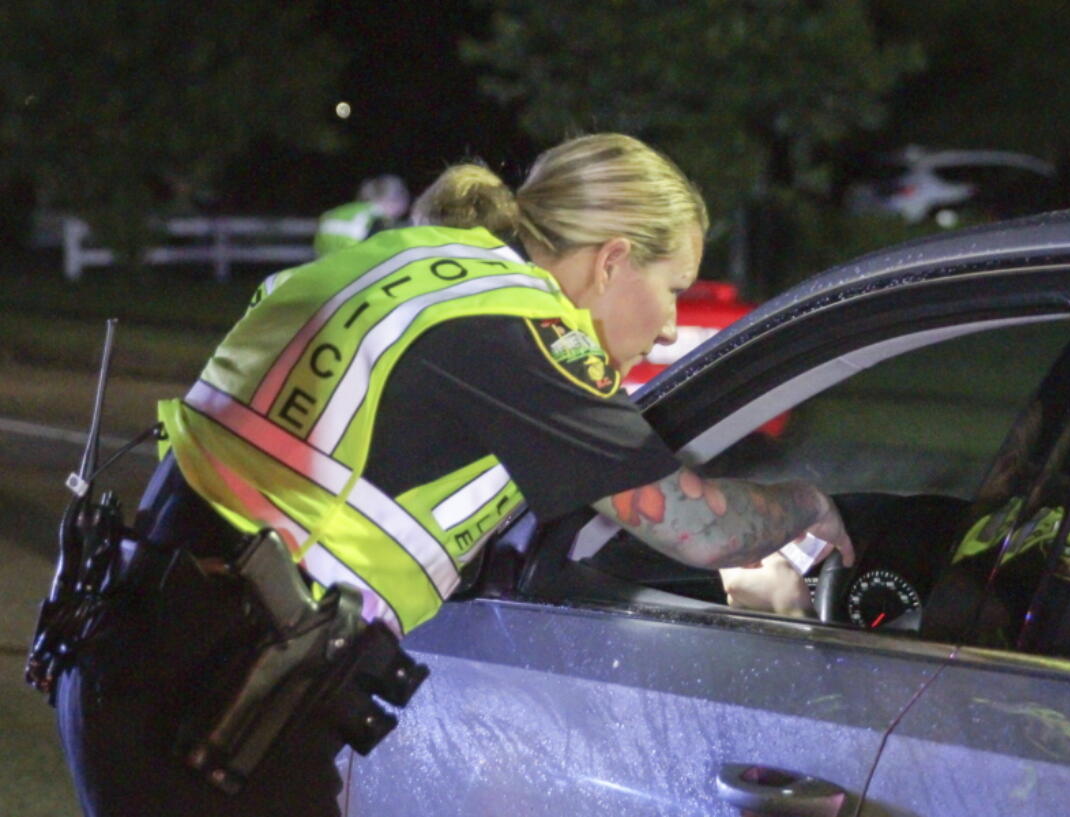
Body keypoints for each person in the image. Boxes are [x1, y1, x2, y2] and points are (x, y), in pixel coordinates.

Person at [55, 133, 853, 817]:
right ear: (613, 261)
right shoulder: (517, 329)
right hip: (215, 696)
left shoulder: (422, 270)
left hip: (142, 651)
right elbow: (698, 525)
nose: (674, 323)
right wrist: (805, 504)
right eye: (672, 289)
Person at [313, 173, 410, 256]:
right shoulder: (378, 218)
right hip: (351, 267)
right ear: (395, 200)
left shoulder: (336, 212)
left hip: (323, 266)